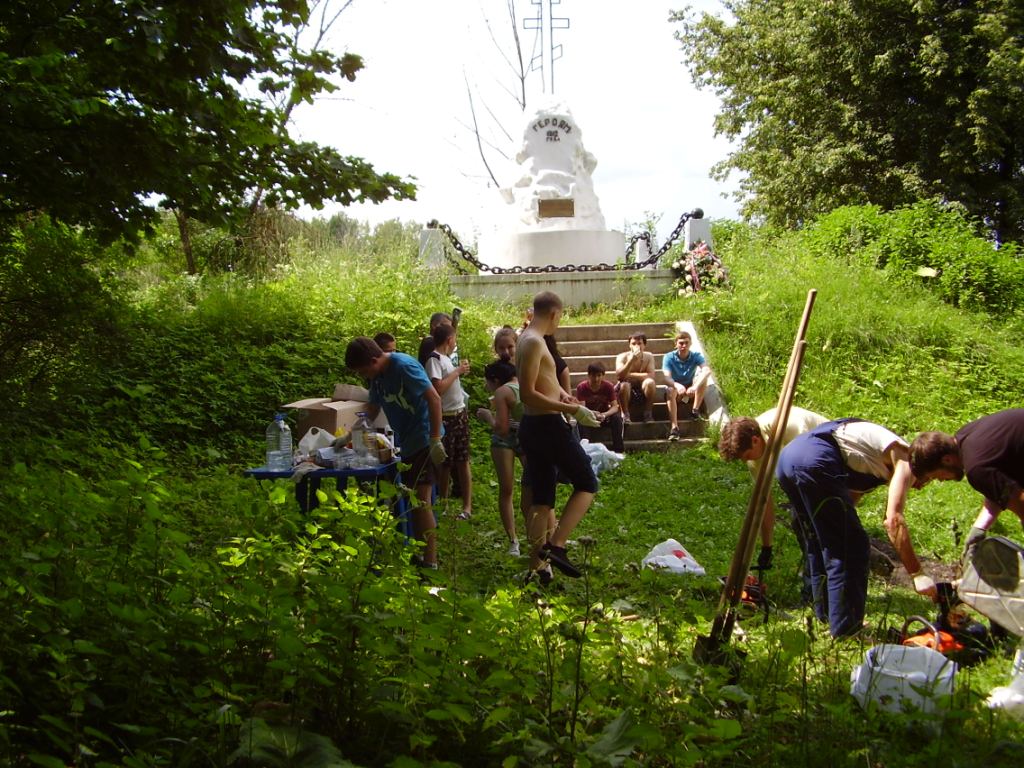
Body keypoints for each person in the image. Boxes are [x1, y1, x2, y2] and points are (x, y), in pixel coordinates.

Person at [775, 418, 937, 638]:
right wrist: (917, 573)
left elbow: (848, 501)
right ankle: (847, 628)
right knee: (852, 548)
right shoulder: (906, 459)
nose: (920, 486)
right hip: (813, 461)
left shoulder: (872, 459)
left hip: (788, 459)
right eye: (927, 479)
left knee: (821, 541)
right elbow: (893, 520)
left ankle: (826, 615)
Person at [516, 291, 601, 583]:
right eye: (560, 317)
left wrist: (565, 396)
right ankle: (557, 546)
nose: (559, 322)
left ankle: (536, 569)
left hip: (536, 426)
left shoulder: (529, 338)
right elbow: (527, 394)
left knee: (542, 501)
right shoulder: (533, 341)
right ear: (554, 314)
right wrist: (571, 409)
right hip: (546, 426)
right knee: (587, 482)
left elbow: (545, 381)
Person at [344, 336, 445, 568]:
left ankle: (431, 562)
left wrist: (435, 439)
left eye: (363, 371)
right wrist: (348, 436)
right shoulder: (377, 378)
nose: (364, 376)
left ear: (373, 360)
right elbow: (372, 409)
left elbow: (434, 399)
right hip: (407, 441)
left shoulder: (404, 366)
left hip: (424, 437)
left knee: (421, 500)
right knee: (413, 500)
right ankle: (421, 554)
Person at [718, 406, 830, 598]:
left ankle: (820, 589)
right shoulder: (754, 460)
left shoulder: (788, 426)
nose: (746, 461)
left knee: (814, 526)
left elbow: (811, 462)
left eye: (746, 456)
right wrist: (766, 546)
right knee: (803, 524)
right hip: (805, 472)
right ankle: (816, 587)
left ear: (755, 440)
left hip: (830, 457)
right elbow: (764, 501)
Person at [909, 408, 1024, 559]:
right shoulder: (965, 437)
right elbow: (999, 489)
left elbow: (1021, 504)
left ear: (947, 460)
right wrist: (979, 529)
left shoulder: (976, 468)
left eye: (937, 476)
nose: (941, 480)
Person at [424, 324, 472, 520]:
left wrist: (458, 371)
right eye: (455, 339)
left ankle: (467, 507)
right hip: (445, 418)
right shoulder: (434, 359)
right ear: (449, 340)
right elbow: (438, 388)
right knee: (445, 463)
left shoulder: (446, 359)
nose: (455, 342)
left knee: (463, 461)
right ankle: (442, 504)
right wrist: (458, 371)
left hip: (460, 414)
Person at [484, 358, 526, 556]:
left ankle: (513, 541)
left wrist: (487, 417)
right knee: (534, 487)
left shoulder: (502, 391)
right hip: (527, 436)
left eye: (488, 382)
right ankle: (542, 535)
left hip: (507, 439)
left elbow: (501, 428)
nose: (486, 387)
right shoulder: (523, 384)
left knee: (506, 490)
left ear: (495, 380)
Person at [662, 331, 711, 440]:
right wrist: (677, 385)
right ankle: (674, 428)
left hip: (690, 390)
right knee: (670, 390)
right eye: (681, 343)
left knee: (702, 379)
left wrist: (695, 386)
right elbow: (666, 378)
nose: (684, 346)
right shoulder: (668, 357)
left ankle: (695, 410)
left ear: (691, 343)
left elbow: (707, 370)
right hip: (675, 390)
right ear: (676, 344)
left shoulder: (695, 356)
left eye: (686, 343)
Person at [575, 361, 625, 453]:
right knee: (581, 421)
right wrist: (593, 414)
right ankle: (585, 450)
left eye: (599, 375)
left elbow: (615, 407)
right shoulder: (582, 387)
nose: (596, 379)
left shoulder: (608, 386)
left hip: (604, 417)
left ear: (603, 376)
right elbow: (582, 407)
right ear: (589, 375)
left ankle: (619, 450)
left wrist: (604, 415)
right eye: (593, 375)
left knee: (617, 419)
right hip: (589, 417)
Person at [614, 333, 657, 423]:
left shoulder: (649, 357)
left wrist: (629, 375)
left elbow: (651, 375)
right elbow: (620, 376)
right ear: (629, 345)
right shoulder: (622, 357)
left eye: (639, 343)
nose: (636, 346)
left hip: (642, 389)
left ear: (644, 345)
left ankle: (648, 413)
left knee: (650, 382)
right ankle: (625, 415)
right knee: (624, 385)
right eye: (633, 344)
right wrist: (631, 360)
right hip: (625, 390)